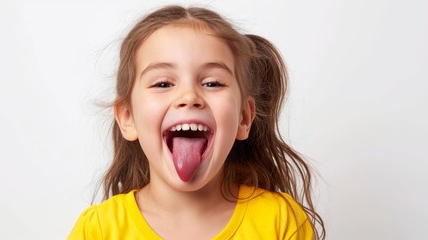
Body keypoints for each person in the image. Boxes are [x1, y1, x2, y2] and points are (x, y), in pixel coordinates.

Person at [68, 5, 325, 240]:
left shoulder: (280, 221)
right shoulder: (98, 230)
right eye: (163, 83)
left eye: (212, 83)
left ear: (244, 118)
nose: (189, 97)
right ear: (127, 118)